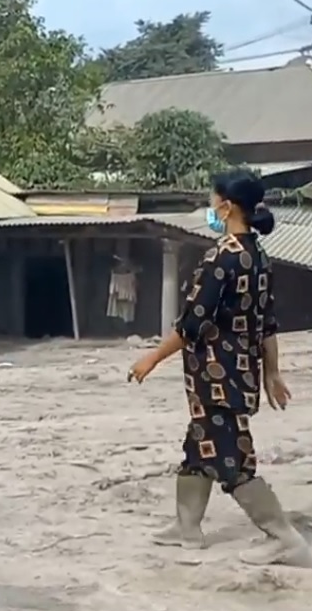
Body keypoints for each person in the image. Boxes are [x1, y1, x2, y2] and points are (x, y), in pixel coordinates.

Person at [130, 170, 310, 568]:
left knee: (231, 458)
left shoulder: (222, 257)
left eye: (213, 199)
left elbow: (191, 325)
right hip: (239, 374)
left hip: (215, 377)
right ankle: (187, 527)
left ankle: (284, 537)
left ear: (227, 205)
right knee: (200, 448)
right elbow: (267, 323)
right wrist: (271, 373)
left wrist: (151, 358)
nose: (211, 206)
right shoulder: (258, 256)